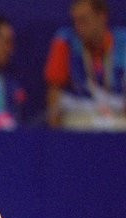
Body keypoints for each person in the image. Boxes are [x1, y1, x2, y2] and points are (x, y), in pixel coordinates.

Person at [44, 0, 126, 130]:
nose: (78, 27)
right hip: (80, 119)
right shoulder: (65, 40)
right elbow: (55, 90)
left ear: (102, 17)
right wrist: (55, 135)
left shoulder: (123, 42)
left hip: (118, 118)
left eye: (83, 20)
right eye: (75, 21)